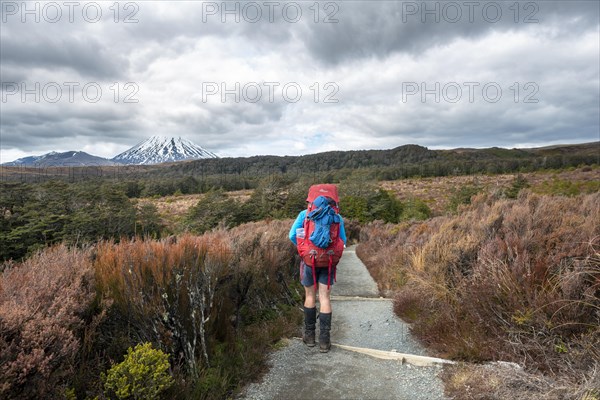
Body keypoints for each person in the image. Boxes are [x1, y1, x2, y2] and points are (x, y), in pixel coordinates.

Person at [289, 196, 347, 353]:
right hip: (328, 261)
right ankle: (324, 341)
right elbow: (343, 240)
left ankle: (309, 337)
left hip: (309, 260)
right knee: (325, 298)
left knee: (309, 297)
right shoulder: (337, 216)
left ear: (311, 202)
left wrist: (304, 249)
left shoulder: (304, 214)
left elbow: (292, 235)